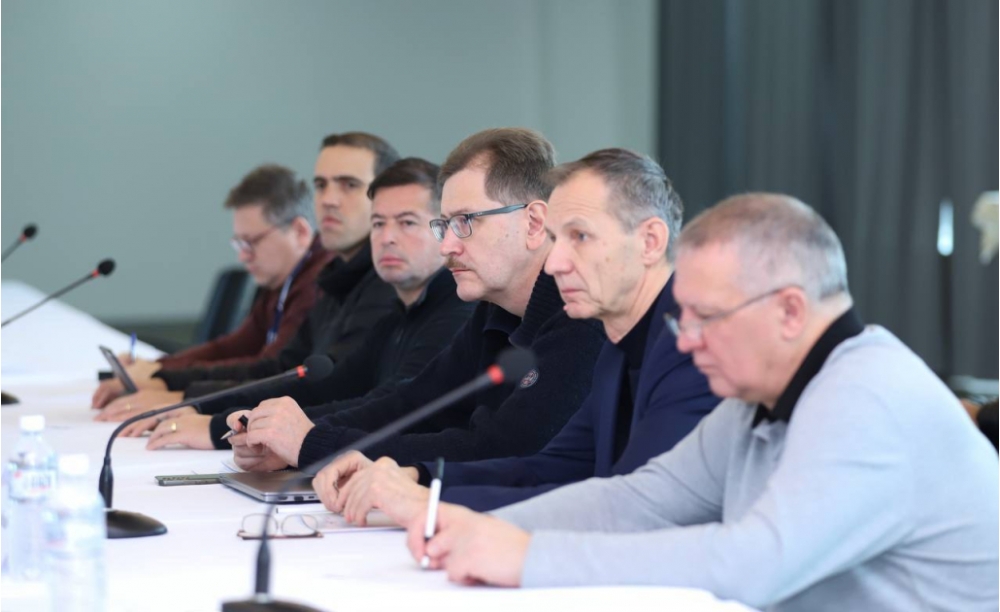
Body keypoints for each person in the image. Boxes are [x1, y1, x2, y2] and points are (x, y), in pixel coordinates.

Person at [402, 194, 999, 612]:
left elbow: (752, 563)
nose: (686, 341)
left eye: (706, 318)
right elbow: (641, 499)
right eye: (683, 318)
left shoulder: (868, 396)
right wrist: (486, 528)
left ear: (790, 311)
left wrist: (531, 557)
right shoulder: (760, 398)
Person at [316, 148, 719, 524]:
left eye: (579, 237)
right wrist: (420, 477)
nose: (555, 263)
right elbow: (553, 466)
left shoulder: (697, 347)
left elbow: (636, 506)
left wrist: (428, 502)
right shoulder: (621, 343)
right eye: (556, 240)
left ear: (650, 242)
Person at [223, 128, 607, 473]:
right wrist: (289, 440)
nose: (447, 245)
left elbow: (499, 450)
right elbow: (413, 407)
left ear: (534, 223)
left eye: (466, 222)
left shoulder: (583, 315)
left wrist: (312, 445)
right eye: (445, 224)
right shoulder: (494, 311)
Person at [141, 157, 477, 448]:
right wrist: (207, 409)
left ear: (443, 230)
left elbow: (391, 407)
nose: (386, 237)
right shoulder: (398, 313)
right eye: (378, 223)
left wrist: (226, 426)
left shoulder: (457, 311)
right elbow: (329, 385)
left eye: (407, 223)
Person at [96, 132, 400, 421]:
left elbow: (320, 389)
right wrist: (165, 377)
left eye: (349, 185)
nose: (328, 199)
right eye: (320, 185)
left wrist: (187, 398)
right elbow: (274, 364)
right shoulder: (335, 277)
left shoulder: (380, 283)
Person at [90, 164, 331, 409]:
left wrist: (165, 377)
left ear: (300, 231)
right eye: (239, 244)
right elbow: (233, 347)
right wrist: (157, 367)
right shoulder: (281, 279)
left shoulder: (317, 284)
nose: (243, 256)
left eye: (251, 242)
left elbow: (269, 368)